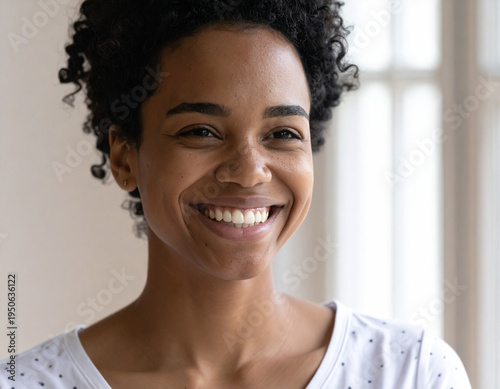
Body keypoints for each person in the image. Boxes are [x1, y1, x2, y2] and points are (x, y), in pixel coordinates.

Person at [1, 0, 471, 388]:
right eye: (201, 131)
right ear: (126, 159)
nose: (249, 172)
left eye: (283, 133)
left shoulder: (412, 372)